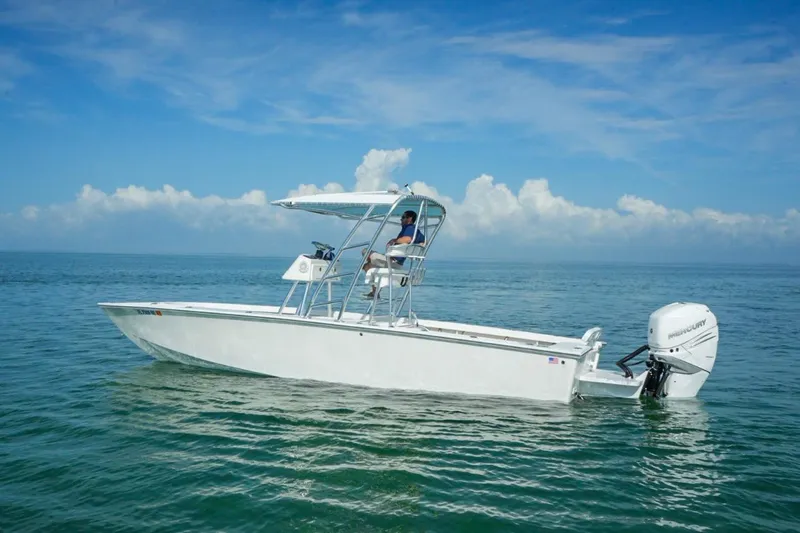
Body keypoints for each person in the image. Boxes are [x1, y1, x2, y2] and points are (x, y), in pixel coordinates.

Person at [362, 210, 425, 298]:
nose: (401, 220)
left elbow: (407, 239)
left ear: (409, 219)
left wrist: (394, 240)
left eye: (403, 217)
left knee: (365, 252)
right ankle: (375, 292)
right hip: (396, 263)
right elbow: (424, 241)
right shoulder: (416, 231)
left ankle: (375, 292)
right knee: (367, 266)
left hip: (393, 262)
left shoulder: (410, 228)